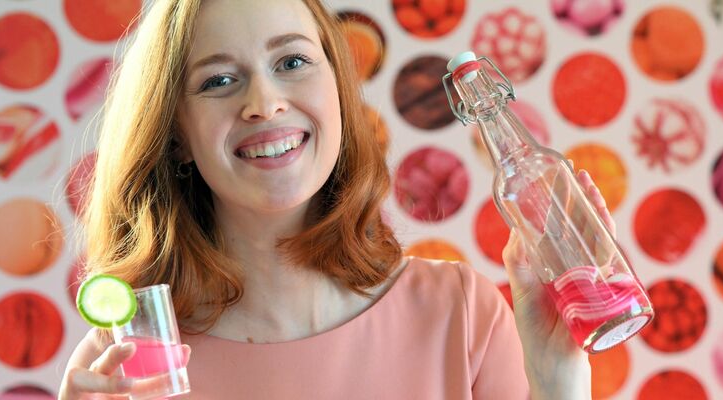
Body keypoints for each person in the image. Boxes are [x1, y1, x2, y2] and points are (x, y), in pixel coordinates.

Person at [59, 0, 614, 398]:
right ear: (177, 135)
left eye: (292, 62)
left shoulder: (463, 315)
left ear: (338, 93)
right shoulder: (133, 365)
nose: (264, 103)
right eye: (219, 80)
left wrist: (556, 379)